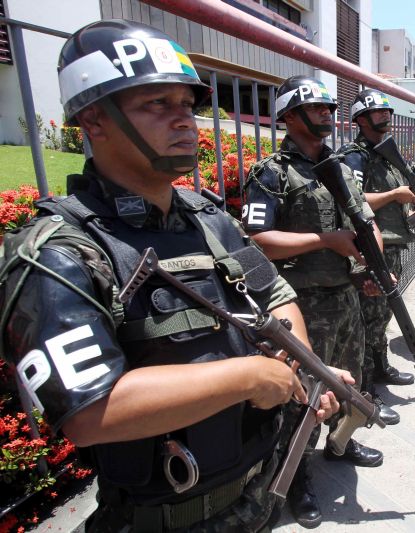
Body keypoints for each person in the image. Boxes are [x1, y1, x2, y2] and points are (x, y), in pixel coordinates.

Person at [0, 20, 348, 532]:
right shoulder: (60, 251)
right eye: (157, 104)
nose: (185, 120)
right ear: (93, 119)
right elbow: (90, 414)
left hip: (258, 492)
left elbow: (275, 294)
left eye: (187, 104)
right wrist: (251, 377)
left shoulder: (208, 217)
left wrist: (304, 367)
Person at [242, 75, 384, 529]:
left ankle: (340, 444)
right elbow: (256, 240)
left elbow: (365, 220)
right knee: (304, 398)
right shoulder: (272, 173)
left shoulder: (339, 168)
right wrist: (326, 240)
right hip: (299, 307)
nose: (327, 113)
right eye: (317, 107)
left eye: (329, 107)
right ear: (289, 116)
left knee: (350, 382)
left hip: (346, 298)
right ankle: (297, 476)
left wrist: (374, 266)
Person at [337, 89, 415, 427]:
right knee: (368, 321)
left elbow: (397, 202)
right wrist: (394, 194)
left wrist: (414, 214)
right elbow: (352, 200)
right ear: (361, 119)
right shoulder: (355, 156)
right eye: (378, 112)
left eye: (388, 111)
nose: (385, 116)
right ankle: (367, 389)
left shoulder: (387, 154)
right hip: (373, 249)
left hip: (394, 243)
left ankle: (381, 368)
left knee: (382, 317)